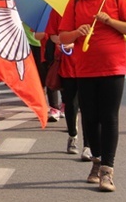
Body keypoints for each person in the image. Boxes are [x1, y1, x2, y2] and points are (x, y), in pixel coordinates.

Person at [58, 0, 126, 192]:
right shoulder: (73, 4)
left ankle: (107, 170)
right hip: (84, 69)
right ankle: (95, 159)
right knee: (90, 118)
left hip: (113, 67)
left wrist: (110, 21)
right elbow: (63, 36)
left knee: (109, 117)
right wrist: (77, 32)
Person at [41, 9, 92, 160]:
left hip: (90, 65)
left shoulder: (95, 11)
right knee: (71, 103)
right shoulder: (57, 10)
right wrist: (66, 41)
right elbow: (52, 35)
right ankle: (72, 136)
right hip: (68, 65)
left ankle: (88, 145)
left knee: (88, 105)